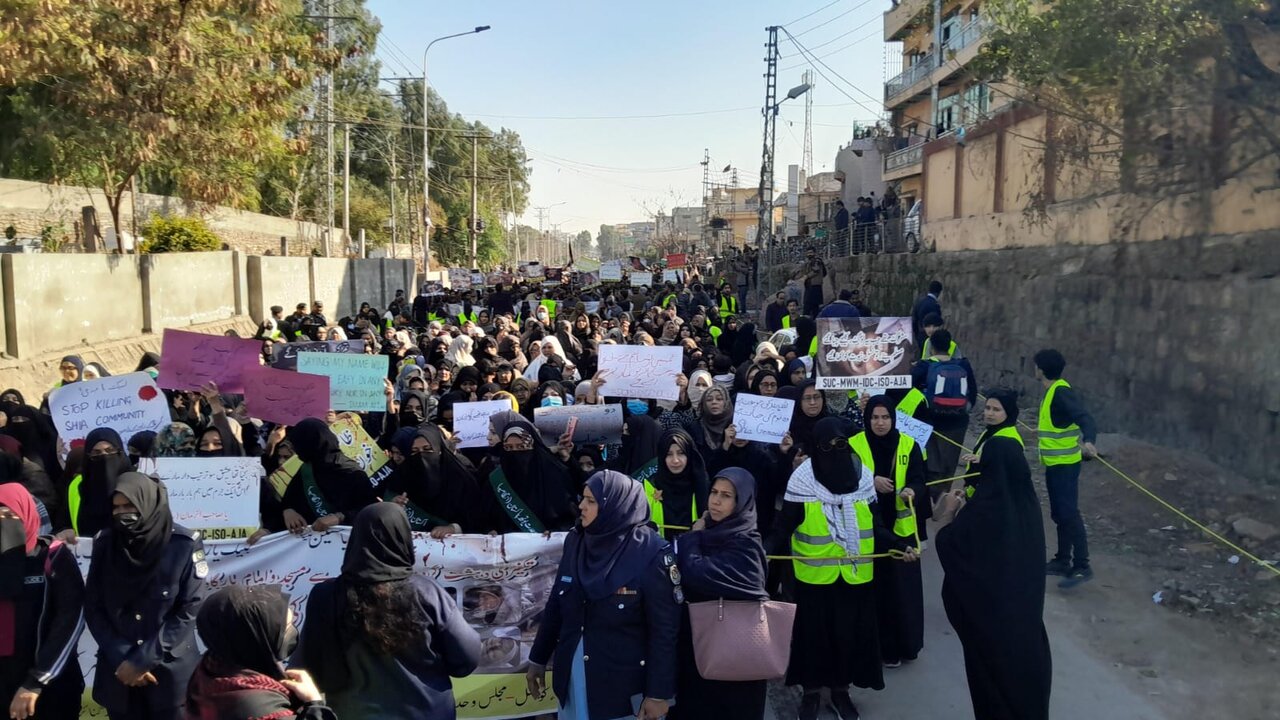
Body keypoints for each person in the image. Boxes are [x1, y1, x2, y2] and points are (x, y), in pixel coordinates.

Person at [770, 417, 918, 720]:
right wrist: (762, 553)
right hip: (814, 578)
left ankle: (840, 691)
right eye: (828, 446)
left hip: (854, 576)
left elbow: (874, 526)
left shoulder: (862, 477)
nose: (836, 451)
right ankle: (811, 694)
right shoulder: (802, 481)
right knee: (813, 637)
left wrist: (899, 545)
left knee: (847, 636)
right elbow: (783, 527)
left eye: (841, 444)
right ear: (816, 448)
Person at [294, 504, 481, 719]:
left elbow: (307, 667)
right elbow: (466, 659)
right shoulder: (427, 592)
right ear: (402, 538)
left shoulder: (325, 595)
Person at [935, 388, 1052, 720]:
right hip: (1024, 624)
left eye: (995, 409)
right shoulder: (1025, 508)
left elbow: (950, 545)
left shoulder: (985, 510)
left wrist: (951, 512)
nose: (988, 413)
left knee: (995, 689)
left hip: (993, 632)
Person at [526, 471, 680, 720]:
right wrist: (538, 657)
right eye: (583, 498)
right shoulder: (577, 541)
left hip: (621, 692)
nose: (581, 506)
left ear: (616, 505)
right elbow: (557, 601)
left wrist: (659, 693)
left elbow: (665, 631)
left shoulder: (652, 554)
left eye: (591, 501)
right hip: (573, 681)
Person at [85, 473, 206, 720]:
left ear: (148, 503)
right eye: (116, 507)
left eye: (129, 505)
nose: (122, 513)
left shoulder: (183, 544)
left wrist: (143, 660)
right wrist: (124, 658)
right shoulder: (106, 543)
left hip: (171, 678)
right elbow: (94, 606)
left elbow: (190, 607)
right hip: (119, 674)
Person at [668, 467, 768, 720]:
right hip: (700, 648)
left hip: (735, 657)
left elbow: (695, 572)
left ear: (742, 501)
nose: (715, 500)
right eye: (714, 492)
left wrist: (693, 536)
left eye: (726, 495)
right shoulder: (711, 534)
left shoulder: (746, 543)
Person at [851, 397, 926, 668]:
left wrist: (912, 491)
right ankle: (877, 648)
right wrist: (870, 481)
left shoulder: (909, 444)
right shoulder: (854, 444)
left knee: (901, 594)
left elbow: (919, 477)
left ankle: (904, 645)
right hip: (867, 528)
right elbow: (846, 477)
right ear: (867, 419)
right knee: (874, 593)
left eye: (885, 417)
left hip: (901, 530)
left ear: (893, 419)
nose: (880, 423)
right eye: (874, 418)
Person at [185, 585, 335, 720]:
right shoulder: (261, 708)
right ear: (257, 638)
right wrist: (315, 704)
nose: (293, 631)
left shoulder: (212, 668)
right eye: (287, 627)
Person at [0, 485, 85, 720]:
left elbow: (70, 620)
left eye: (9, 514)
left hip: (47, 686)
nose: (3, 522)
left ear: (26, 513)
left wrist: (36, 681)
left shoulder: (52, 557)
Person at [1034, 349, 1098, 589]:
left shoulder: (1061, 392)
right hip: (1055, 464)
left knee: (1069, 513)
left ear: (1040, 369)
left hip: (1065, 465)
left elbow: (1085, 418)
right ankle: (1062, 559)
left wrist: (1090, 440)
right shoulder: (1052, 392)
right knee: (1060, 514)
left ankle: (1082, 565)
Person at [281, 419, 378, 534]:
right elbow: (289, 499)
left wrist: (339, 517)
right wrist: (288, 511)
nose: (297, 452)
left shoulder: (352, 473)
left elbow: (369, 511)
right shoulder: (308, 469)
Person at [647, 429, 710, 540]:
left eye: (681, 453)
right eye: (669, 454)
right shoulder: (650, 487)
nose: (675, 460)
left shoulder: (703, 487)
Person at [910, 280, 943, 349]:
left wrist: (917, 335)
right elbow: (938, 323)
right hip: (932, 338)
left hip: (920, 336)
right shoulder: (935, 305)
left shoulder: (919, 302)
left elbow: (914, 321)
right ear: (939, 293)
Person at [799, 248, 826, 318]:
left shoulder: (816, 261)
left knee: (809, 307)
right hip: (810, 286)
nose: (809, 254)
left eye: (811, 252)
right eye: (808, 253)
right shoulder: (809, 262)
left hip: (814, 286)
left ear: (814, 253)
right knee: (812, 307)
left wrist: (806, 276)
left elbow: (816, 270)